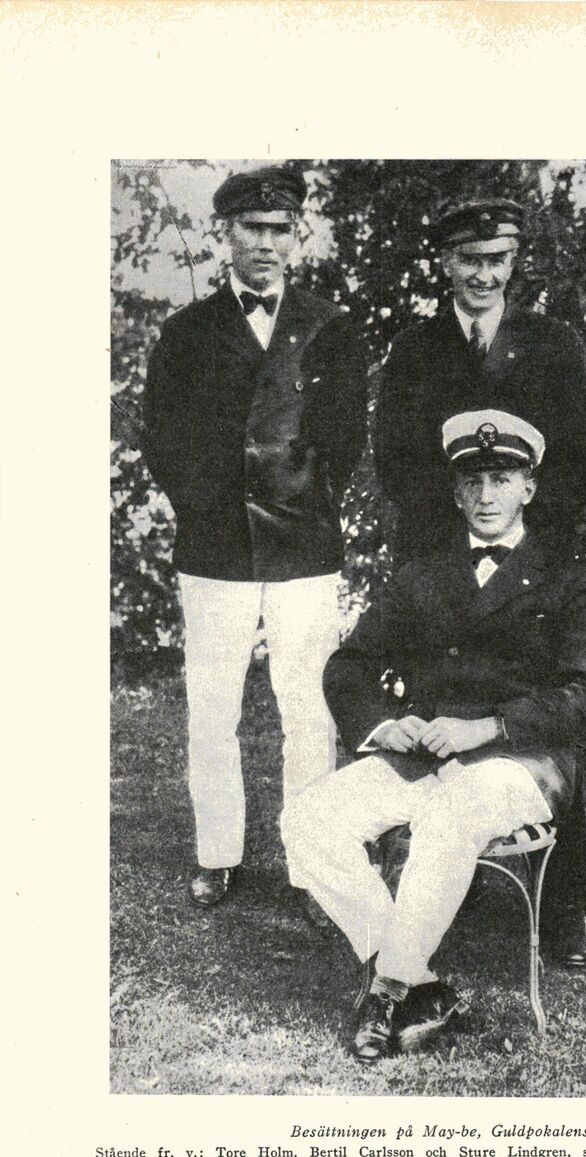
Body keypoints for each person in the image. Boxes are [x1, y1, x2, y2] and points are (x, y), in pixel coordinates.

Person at [283, 410, 586, 1063]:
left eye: (502, 479)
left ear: (528, 488)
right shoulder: (422, 577)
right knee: (307, 820)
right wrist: (384, 723)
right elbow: (348, 665)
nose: (487, 495)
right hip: (424, 752)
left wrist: (489, 725)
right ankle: (423, 984)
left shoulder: (568, 580)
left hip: (520, 759)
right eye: (473, 481)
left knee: (450, 814)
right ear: (456, 492)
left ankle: (387, 991)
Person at [376, 195, 586, 966]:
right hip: (440, 560)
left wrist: (527, 542)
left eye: (497, 260)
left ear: (513, 262)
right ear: (447, 262)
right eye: (470, 260)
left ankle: (566, 903)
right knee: (440, 705)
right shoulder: (416, 350)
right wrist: (453, 541)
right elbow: (394, 459)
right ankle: (450, 881)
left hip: (532, 565)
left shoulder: (552, 346)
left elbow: (582, 453)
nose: (483, 274)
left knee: (542, 712)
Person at [142, 165, 367, 913]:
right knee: (214, 709)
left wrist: (306, 499)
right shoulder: (187, 333)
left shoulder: (330, 326)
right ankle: (218, 855)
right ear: (226, 234)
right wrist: (210, 506)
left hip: (304, 545)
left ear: (294, 236)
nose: (267, 243)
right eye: (253, 229)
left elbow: (345, 437)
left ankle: (309, 860)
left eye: (280, 230)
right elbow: (163, 439)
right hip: (217, 548)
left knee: (308, 708)